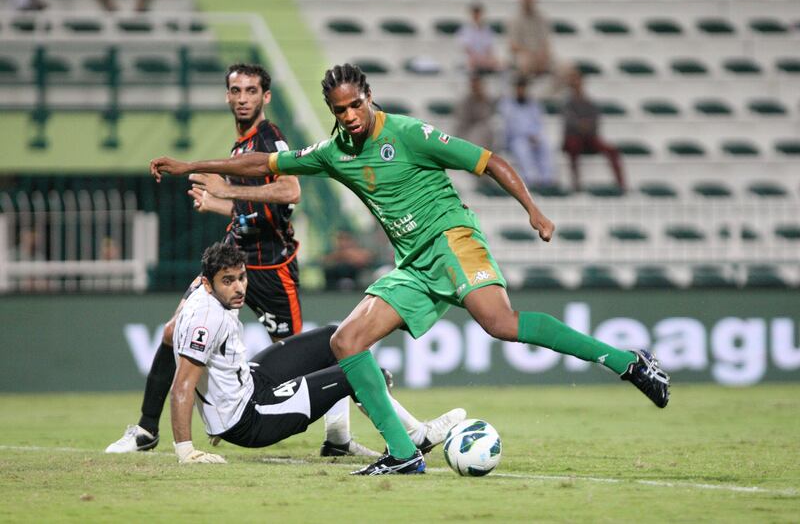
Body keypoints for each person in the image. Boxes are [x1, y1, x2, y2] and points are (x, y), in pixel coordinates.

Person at [149, 63, 671, 476]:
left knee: (502, 325)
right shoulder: (333, 152)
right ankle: (404, 454)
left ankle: (627, 362)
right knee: (346, 341)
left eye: (357, 104)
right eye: (340, 108)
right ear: (332, 110)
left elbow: (488, 161)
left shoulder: (408, 133)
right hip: (413, 263)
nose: (351, 114)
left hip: (451, 241)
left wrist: (532, 209)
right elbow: (263, 165)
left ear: (369, 98)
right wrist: (193, 166)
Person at [107, 63, 376, 458]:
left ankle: (338, 438)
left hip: (270, 270)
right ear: (227, 96)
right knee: (171, 333)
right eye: (236, 90)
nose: (243, 98)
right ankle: (147, 429)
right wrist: (218, 202)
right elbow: (249, 212)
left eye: (252, 91)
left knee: (313, 355)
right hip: (233, 263)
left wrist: (227, 189)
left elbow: (290, 191)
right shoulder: (240, 145)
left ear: (266, 97)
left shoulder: (269, 138)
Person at [170, 242, 465, 465]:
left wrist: (213, 408)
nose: (239, 288)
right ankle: (416, 436)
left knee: (334, 340)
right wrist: (186, 450)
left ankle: (337, 440)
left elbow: (171, 339)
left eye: (241, 277)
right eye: (228, 280)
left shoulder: (200, 291)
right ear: (209, 283)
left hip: (248, 383)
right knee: (356, 373)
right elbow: (182, 385)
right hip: (249, 417)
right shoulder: (207, 319)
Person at [561, 70, 626, 192]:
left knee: (611, 150)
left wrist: (585, 126)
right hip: (574, 137)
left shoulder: (589, 102)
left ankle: (621, 184)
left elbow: (595, 120)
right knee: (573, 147)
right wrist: (581, 125)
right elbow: (569, 121)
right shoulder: (568, 103)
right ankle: (576, 183)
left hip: (589, 137)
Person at [499, 76, 556, 188]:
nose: (521, 90)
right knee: (521, 147)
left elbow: (539, 123)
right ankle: (531, 179)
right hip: (515, 139)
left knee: (545, 144)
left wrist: (535, 135)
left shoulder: (533, 104)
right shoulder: (507, 105)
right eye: (519, 87)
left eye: (523, 87)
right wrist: (526, 135)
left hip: (533, 137)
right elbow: (511, 127)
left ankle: (547, 178)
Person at [509, 0, 572, 86]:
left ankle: (548, 96)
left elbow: (546, 41)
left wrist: (543, 55)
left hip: (541, 56)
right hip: (524, 56)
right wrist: (531, 54)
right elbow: (513, 45)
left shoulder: (542, 17)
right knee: (524, 62)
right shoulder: (514, 19)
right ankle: (526, 94)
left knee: (566, 68)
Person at [454, 74, 496, 152]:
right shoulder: (465, 101)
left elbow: (487, 116)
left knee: (487, 128)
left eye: (478, 84)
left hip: (484, 132)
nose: (476, 87)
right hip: (467, 131)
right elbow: (462, 121)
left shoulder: (487, 100)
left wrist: (481, 100)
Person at [457, 3, 502, 75]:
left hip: (484, 59)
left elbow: (489, 49)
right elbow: (467, 49)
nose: (477, 16)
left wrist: (488, 59)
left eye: (478, 13)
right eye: (475, 13)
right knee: (471, 63)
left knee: (500, 64)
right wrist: (479, 59)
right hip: (470, 60)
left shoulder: (488, 30)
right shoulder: (464, 30)